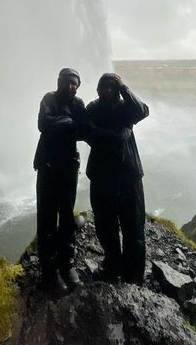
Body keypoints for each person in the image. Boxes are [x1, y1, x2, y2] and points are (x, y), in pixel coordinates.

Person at [85, 72, 149, 284]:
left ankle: (134, 275)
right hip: (102, 178)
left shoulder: (125, 108)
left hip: (129, 178)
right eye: (105, 86)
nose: (108, 90)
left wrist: (124, 87)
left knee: (134, 227)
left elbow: (142, 111)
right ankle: (112, 267)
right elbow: (85, 131)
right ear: (98, 89)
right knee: (105, 227)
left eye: (113, 87)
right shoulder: (93, 109)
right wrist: (119, 135)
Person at [33, 67, 87, 293]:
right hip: (47, 166)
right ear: (59, 82)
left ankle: (67, 264)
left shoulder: (78, 104)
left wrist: (63, 123)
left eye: (74, 83)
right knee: (46, 217)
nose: (71, 86)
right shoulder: (49, 98)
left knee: (66, 215)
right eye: (67, 82)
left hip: (68, 168)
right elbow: (44, 125)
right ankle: (49, 273)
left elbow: (84, 129)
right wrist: (69, 123)